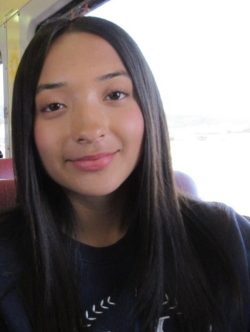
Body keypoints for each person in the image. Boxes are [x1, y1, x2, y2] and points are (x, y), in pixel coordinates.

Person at [0, 16, 249, 332]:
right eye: (54, 106)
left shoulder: (228, 239)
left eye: (114, 95)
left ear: (147, 106)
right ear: (28, 128)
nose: (89, 130)